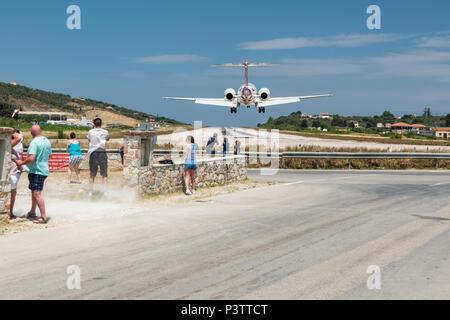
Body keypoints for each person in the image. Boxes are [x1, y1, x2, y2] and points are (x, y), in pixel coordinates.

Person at [15, 125, 52, 224]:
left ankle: (43, 216)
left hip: (37, 171)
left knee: (36, 194)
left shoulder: (34, 142)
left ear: (31, 133)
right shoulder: (47, 141)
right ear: (41, 131)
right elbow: (49, 156)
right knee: (34, 192)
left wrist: (21, 163)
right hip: (43, 169)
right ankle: (32, 212)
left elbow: (31, 159)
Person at [87, 118, 110, 195]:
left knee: (92, 174)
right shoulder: (105, 132)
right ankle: (105, 191)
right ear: (101, 124)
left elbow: (89, 140)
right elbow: (107, 139)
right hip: (102, 152)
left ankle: (90, 192)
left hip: (93, 152)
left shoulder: (90, 132)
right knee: (104, 174)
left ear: (94, 124)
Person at [9, 135, 25, 220]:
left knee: (13, 194)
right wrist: (14, 131)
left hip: (14, 173)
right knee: (12, 194)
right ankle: (10, 213)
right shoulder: (8, 145)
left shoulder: (10, 146)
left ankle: (10, 212)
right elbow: (18, 138)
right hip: (12, 173)